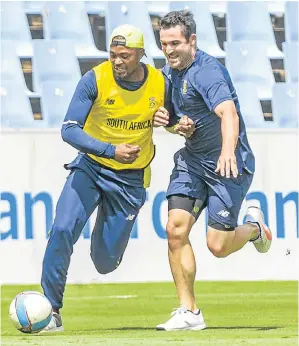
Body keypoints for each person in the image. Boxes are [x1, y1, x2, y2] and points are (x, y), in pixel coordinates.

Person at [40, 24, 191, 332]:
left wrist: (174, 124)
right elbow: (69, 129)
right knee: (62, 228)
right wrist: (110, 150)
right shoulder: (94, 79)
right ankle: (51, 310)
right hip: (91, 168)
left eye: (125, 56)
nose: (118, 62)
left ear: (140, 55)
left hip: (130, 180)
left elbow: (174, 121)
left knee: (105, 263)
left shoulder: (160, 83)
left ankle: (104, 224)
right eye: (112, 55)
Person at [153, 10, 272, 331]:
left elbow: (229, 114)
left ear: (192, 40)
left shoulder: (207, 73)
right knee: (175, 230)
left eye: (175, 43)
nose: (169, 50)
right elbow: (177, 122)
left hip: (228, 165)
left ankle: (255, 229)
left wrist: (228, 151)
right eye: (164, 44)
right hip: (192, 163)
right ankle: (189, 312)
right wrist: (175, 124)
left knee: (217, 247)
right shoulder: (167, 74)